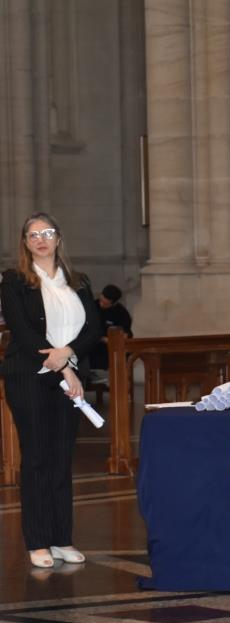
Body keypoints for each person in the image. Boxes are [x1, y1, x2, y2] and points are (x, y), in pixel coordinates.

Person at [0, 213, 102, 569]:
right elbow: (23, 331)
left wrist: (69, 353)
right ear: (25, 243)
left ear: (58, 238)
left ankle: (61, 538)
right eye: (33, 235)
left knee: (61, 459)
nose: (41, 239)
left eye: (47, 233)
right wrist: (62, 366)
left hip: (69, 377)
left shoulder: (79, 281)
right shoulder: (14, 281)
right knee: (38, 459)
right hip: (30, 377)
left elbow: (94, 329)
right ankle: (38, 541)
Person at [88, 284, 133, 380]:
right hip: (93, 346)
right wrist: (100, 338)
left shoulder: (121, 313)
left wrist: (115, 339)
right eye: (101, 301)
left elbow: (125, 333)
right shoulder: (92, 307)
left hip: (111, 349)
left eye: (105, 303)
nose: (102, 304)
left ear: (114, 303)